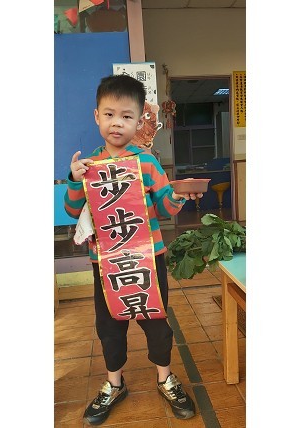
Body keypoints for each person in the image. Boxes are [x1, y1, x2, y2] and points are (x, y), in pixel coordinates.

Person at [64, 74, 202, 425]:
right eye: (109, 114)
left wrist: (179, 195)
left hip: (147, 258)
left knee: (155, 320)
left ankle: (165, 378)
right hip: (106, 262)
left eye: (126, 116)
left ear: (139, 121)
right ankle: (115, 384)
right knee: (109, 324)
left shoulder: (147, 163)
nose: (117, 123)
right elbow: (72, 210)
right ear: (96, 116)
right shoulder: (88, 167)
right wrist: (74, 181)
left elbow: (164, 207)